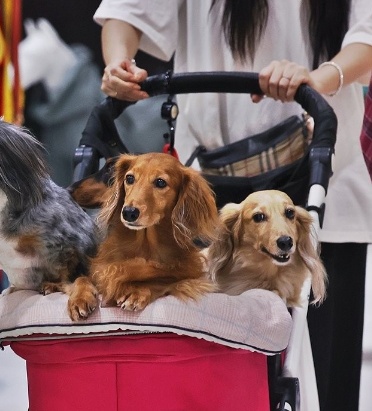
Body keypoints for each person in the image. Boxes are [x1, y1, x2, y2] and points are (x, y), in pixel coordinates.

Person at [93, 1, 372, 410]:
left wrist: (316, 78)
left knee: (325, 381)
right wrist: (120, 64)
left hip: (322, 185)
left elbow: (366, 33)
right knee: (206, 379)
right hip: (209, 196)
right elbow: (129, 10)